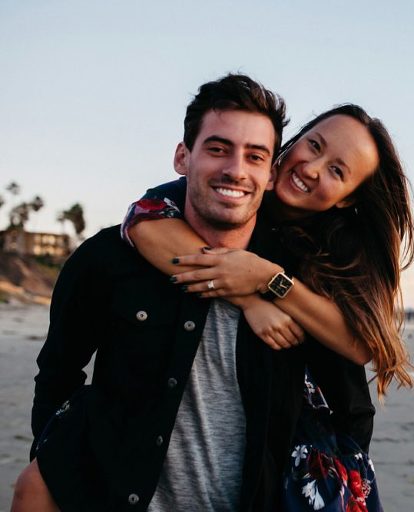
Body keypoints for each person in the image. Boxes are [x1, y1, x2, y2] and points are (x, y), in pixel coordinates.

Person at [12, 74, 307, 511]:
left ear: (270, 175)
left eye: (255, 156)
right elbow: (57, 375)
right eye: (218, 148)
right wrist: (54, 469)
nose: (235, 169)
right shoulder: (107, 259)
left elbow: (350, 402)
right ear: (182, 156)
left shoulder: (298, 274)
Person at [120, 102, 414, 510]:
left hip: (320, 454)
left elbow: (362, 343)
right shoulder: (240, 189)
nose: (312, 167)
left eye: (336, 171)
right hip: (249, 433)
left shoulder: (342, 245)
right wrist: (247, 299)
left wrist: (268, 279)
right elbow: (145, 222)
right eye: (313, 146)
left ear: (349, 199)